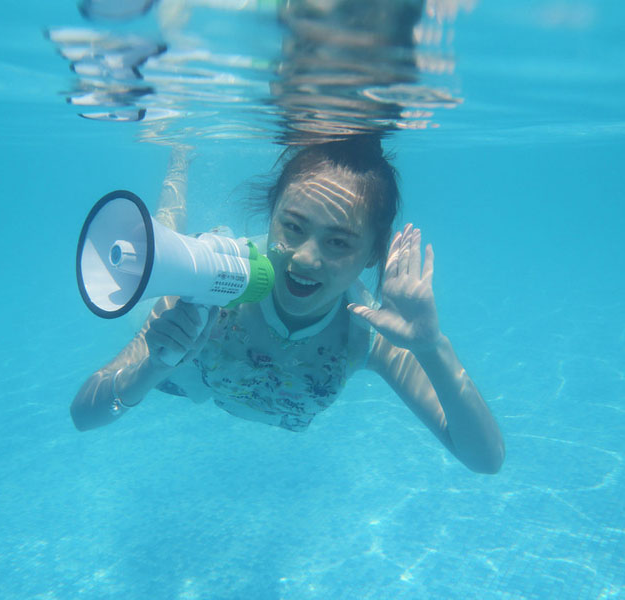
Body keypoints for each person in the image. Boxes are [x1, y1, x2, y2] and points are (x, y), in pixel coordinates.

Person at [70, 136, 505, 474]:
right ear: (271, 214)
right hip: (190, 383)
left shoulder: (367, 328)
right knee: (156, 248)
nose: (305, 259)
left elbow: (483, 459)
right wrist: (151, 369)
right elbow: (84, 415)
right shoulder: (215, 288)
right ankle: (177, 162)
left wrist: (431, 347)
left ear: (374, 254)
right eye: (293, 227)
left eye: (338, 242)